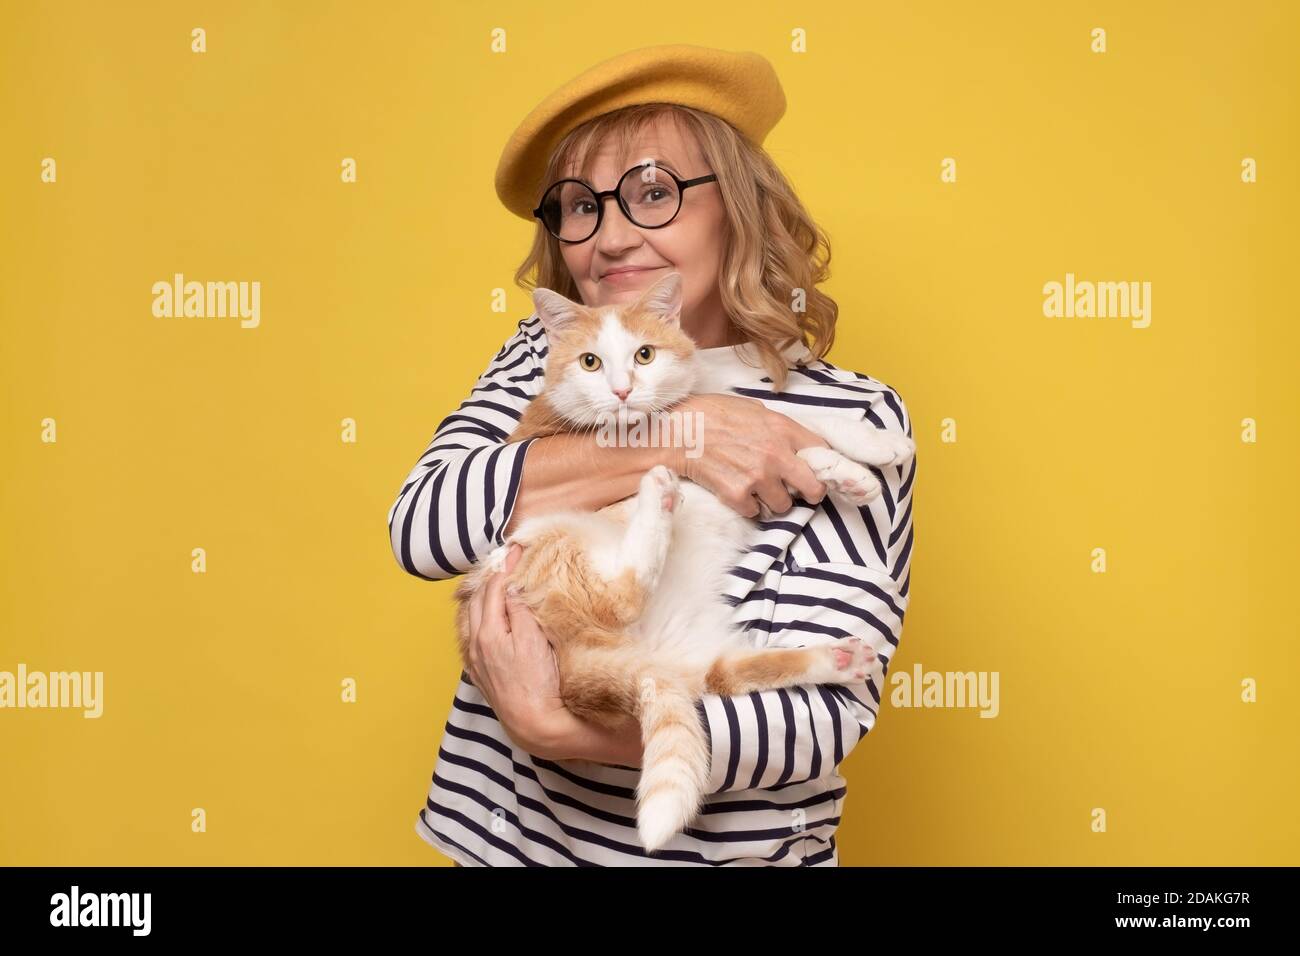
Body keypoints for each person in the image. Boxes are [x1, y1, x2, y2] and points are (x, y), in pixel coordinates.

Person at [388, 44, 915, 866]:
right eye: (578, 206)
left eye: (654, 192)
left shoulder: (851, 415)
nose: (611, 236)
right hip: (501, 845)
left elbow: (822, 716)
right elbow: (422, 527)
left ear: (737, 205)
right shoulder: (550, 353)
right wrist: (690, 430)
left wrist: (560, 727)